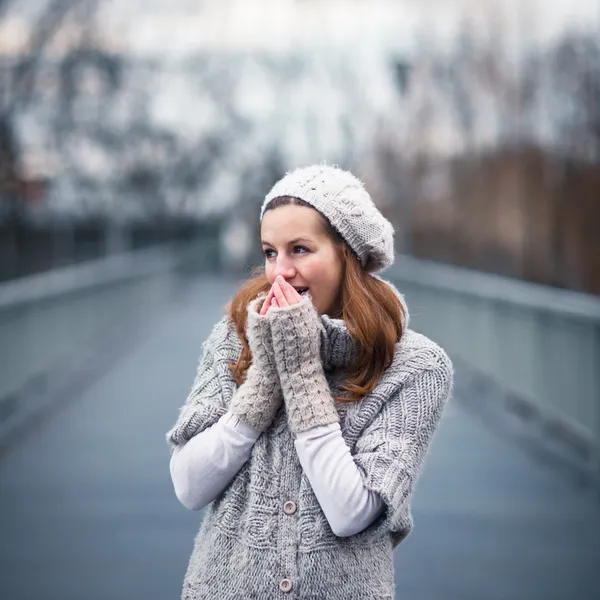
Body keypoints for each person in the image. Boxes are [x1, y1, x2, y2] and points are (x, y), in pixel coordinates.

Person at [166, 164, 453, 599]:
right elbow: (190, 486)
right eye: (269, 252)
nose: (279, 272)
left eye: (300, 249)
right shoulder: (237, 336)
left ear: (348, 254)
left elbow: (350, 513)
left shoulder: (416, 367)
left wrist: (300, 371)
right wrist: (263, 379)